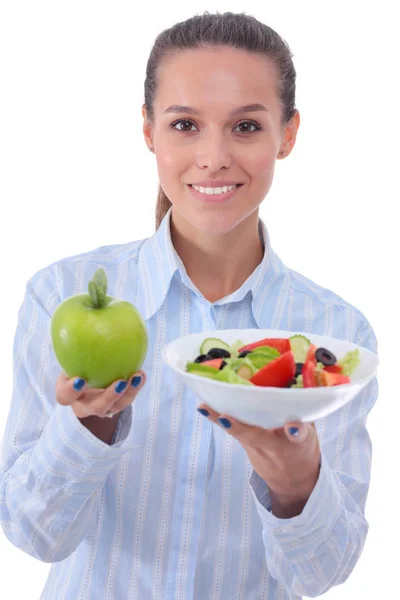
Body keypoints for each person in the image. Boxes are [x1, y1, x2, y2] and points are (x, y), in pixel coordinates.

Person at [0, 11, 378, 600]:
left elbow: (320, 574)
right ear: (148, 130)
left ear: (289, 134)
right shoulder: (60, 295)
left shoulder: (334, 334)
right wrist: (88, 427)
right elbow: (33, 536)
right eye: (185, 125)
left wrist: (299, 488)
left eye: (247, 127)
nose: (213, 157)